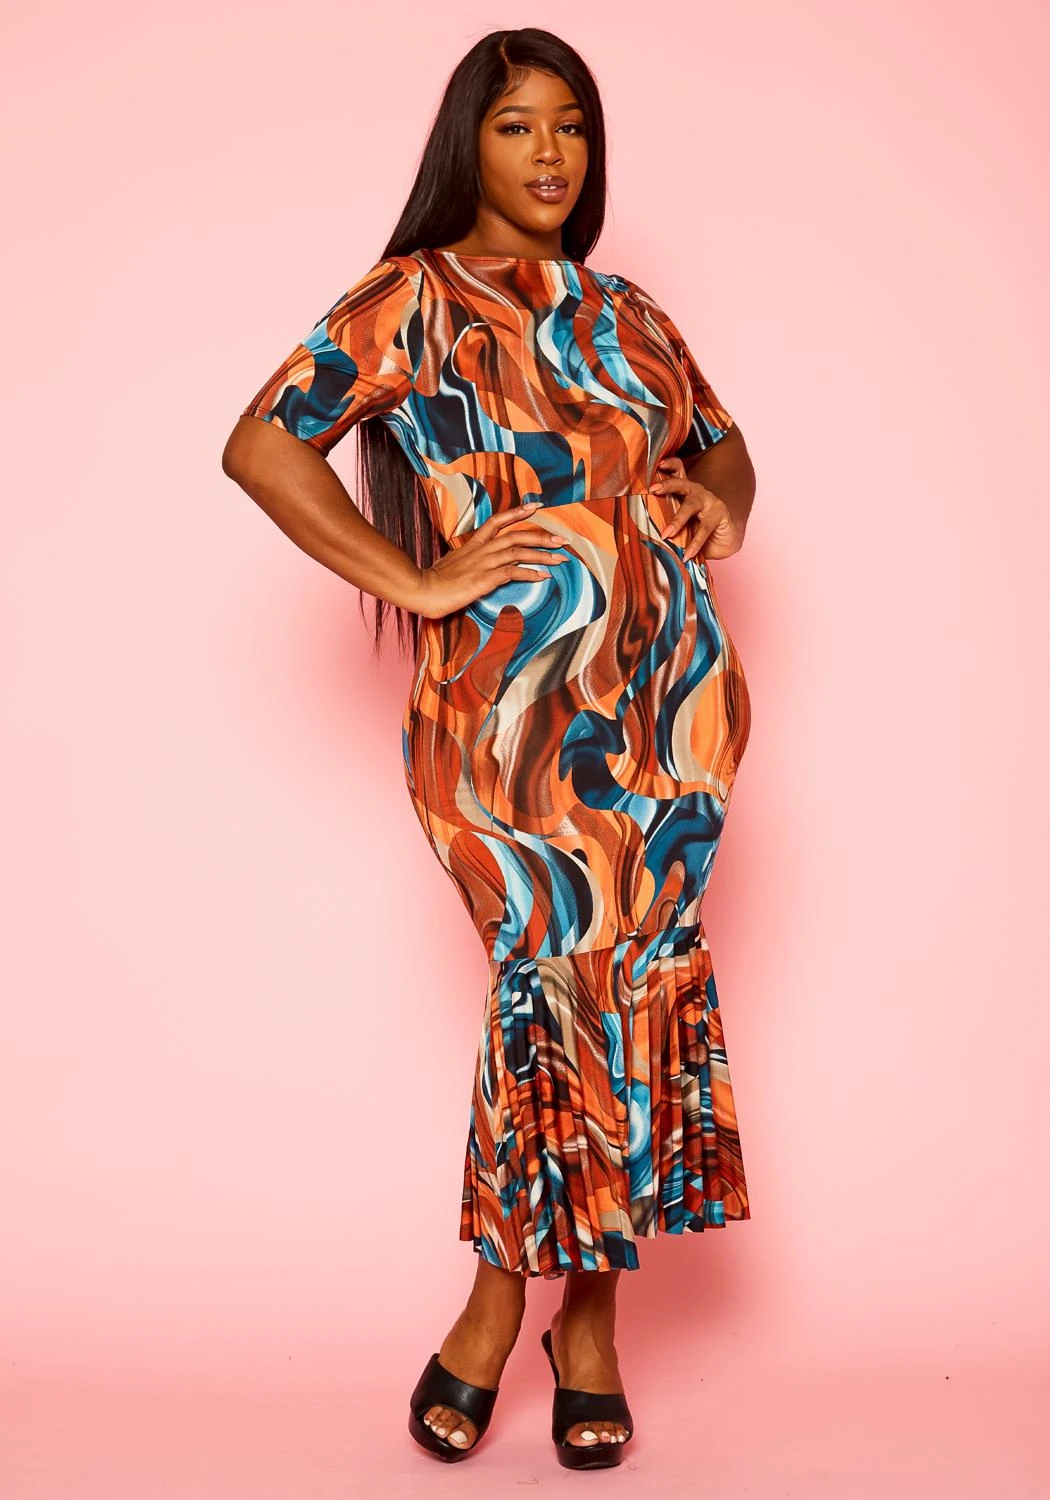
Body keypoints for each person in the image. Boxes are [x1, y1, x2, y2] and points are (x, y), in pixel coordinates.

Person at [222, 26, 756, 1472]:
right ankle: (504, 1308)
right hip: (506, 721)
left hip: (674, 705)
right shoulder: (410, 299)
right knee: (550, 988)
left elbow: (719, 443)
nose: (549, 152)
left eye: (570, 124)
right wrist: (412, 579)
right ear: (470, 141)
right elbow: (262, 444)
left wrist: (720, 505)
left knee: (629, 992)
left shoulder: (629, 312)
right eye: (518, 124)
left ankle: (583, 1326)